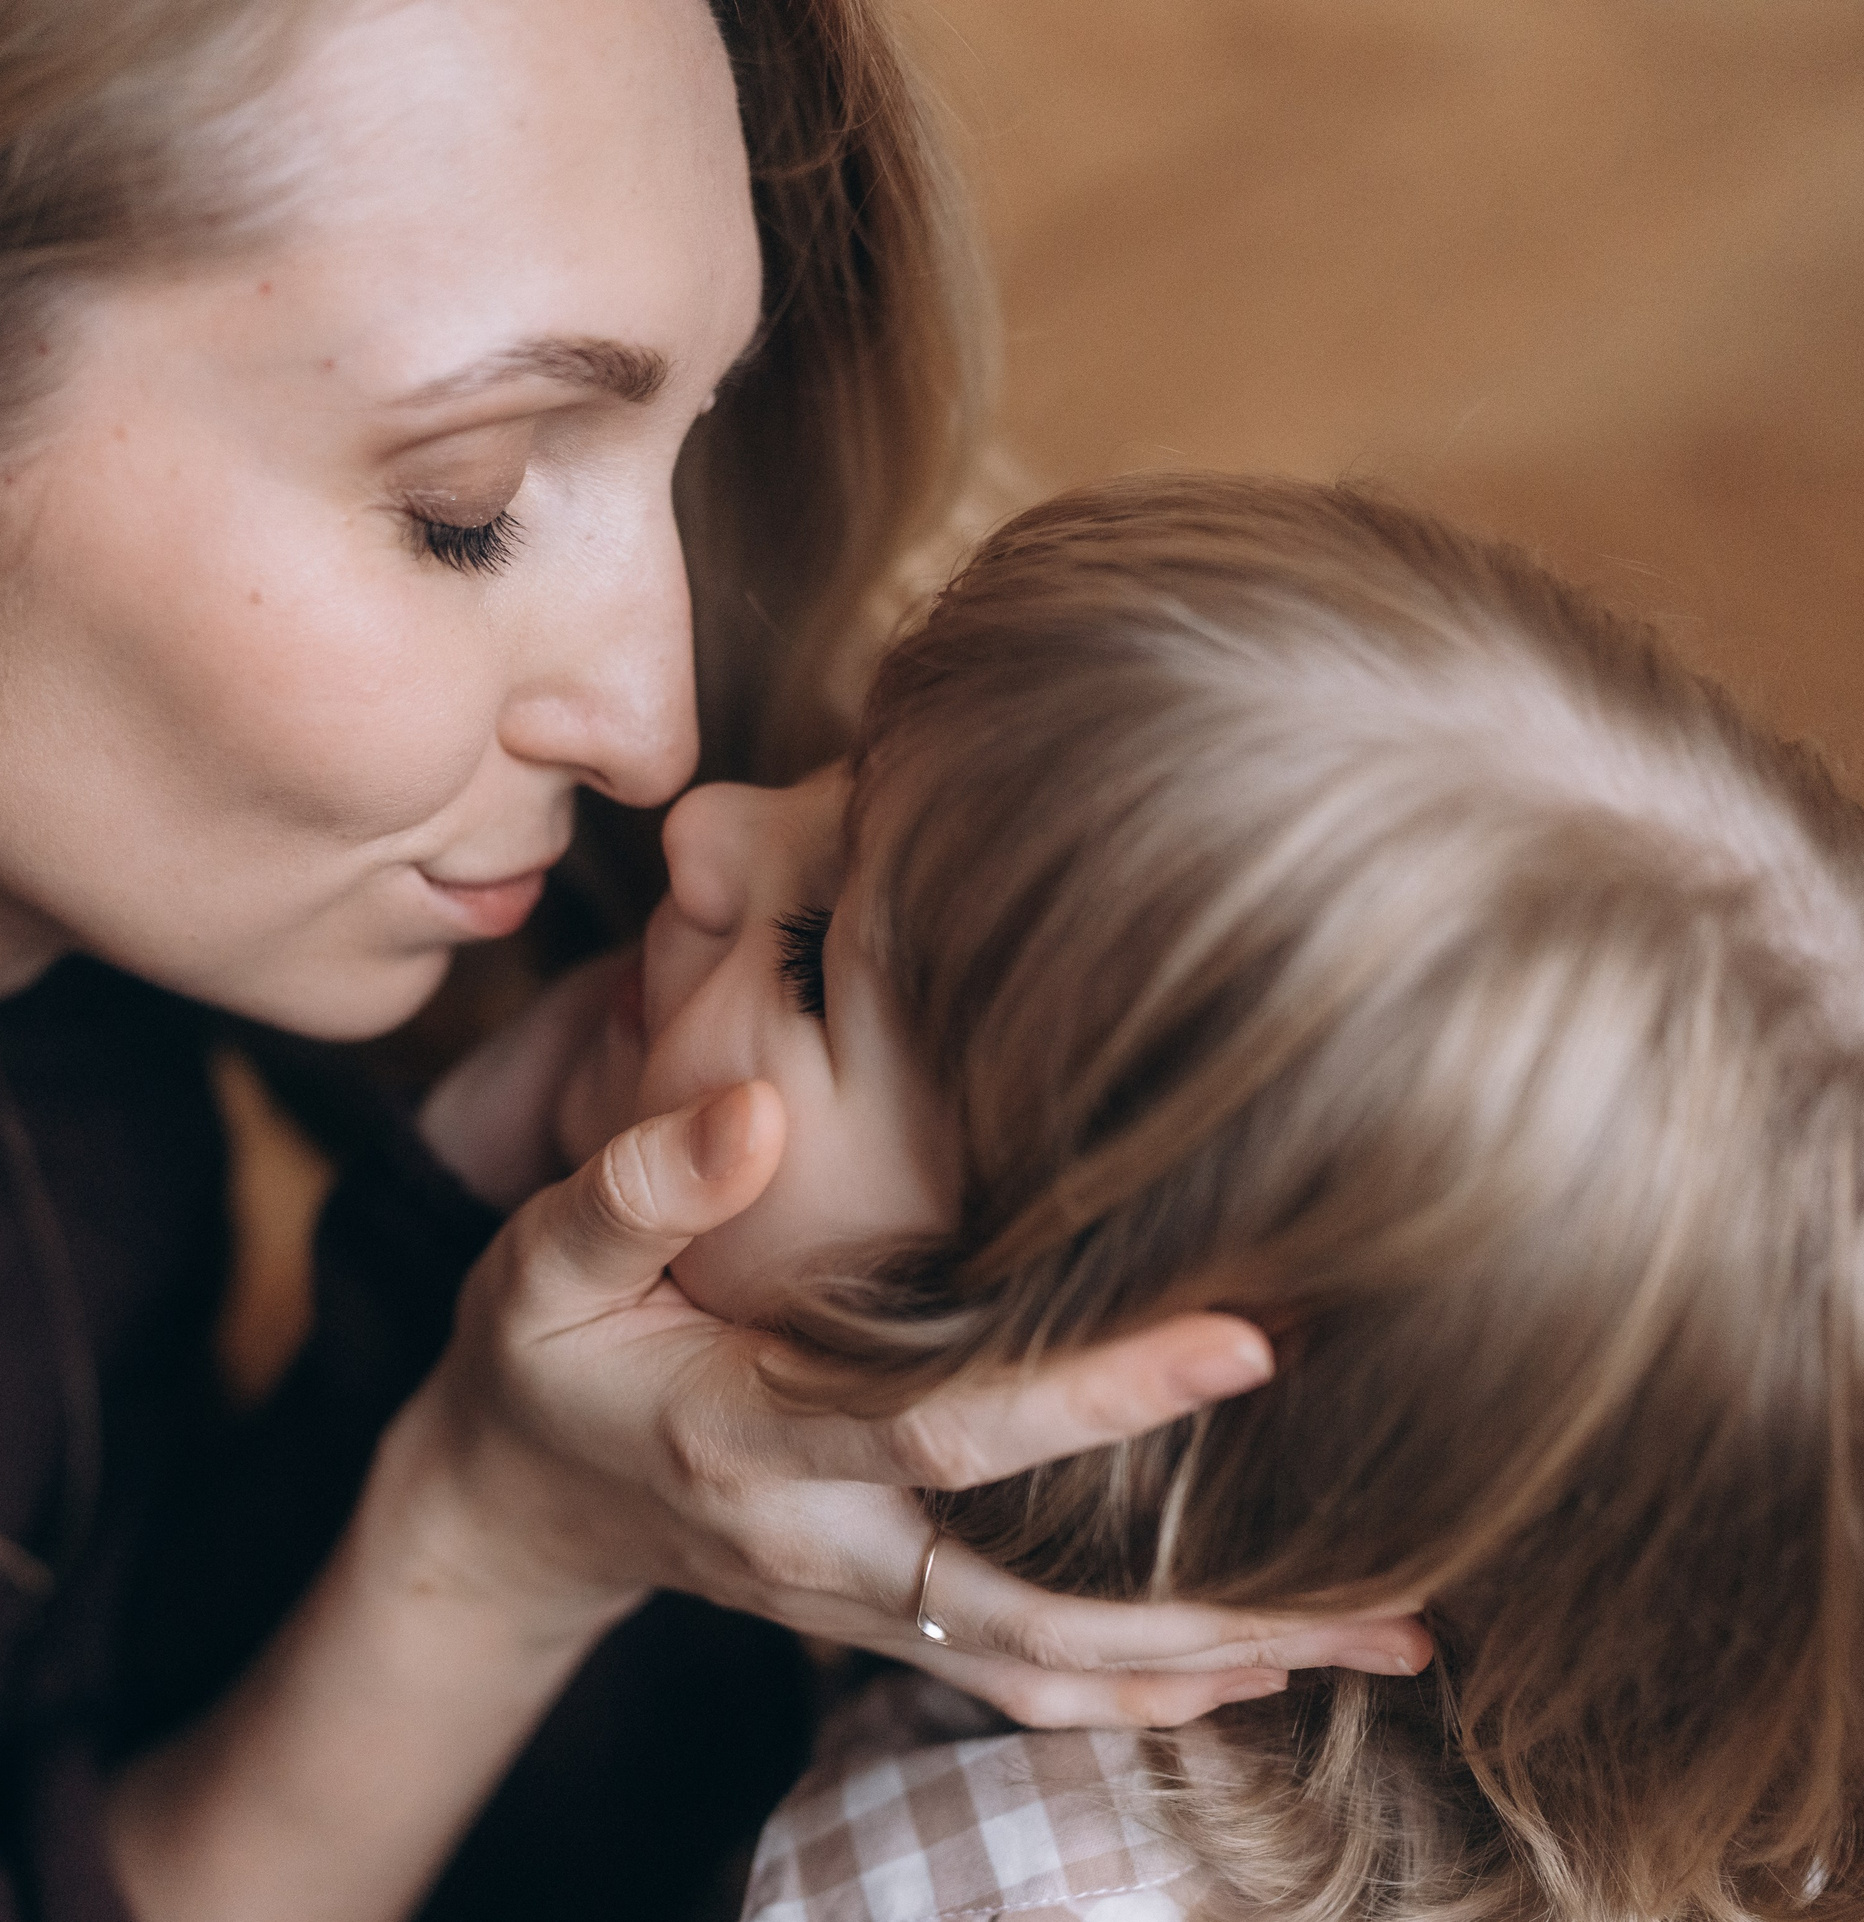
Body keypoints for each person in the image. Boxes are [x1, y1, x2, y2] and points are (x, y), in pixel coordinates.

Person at [0, 5, 1431, 1920]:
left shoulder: (89, 816)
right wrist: (497, 1540)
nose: (655, 733)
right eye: (469, 507)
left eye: (683, 444)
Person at [510, 473, 1860, 1922]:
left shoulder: (941, 1892)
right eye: (852, 762)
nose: (704, 826)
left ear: (1114, 1425)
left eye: (810, 954)